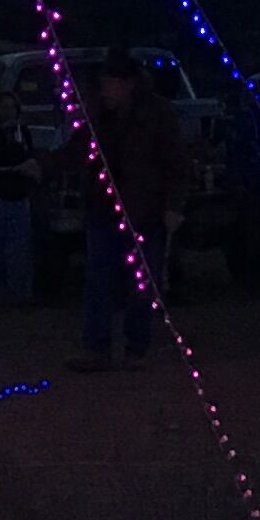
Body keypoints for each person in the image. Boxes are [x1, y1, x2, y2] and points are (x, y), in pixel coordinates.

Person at [68, 53, 183, 370]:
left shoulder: (157, 114)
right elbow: (76, 149)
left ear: (127, 84)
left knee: (140, 284)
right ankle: (97, 348)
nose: (104, 90)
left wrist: (174, 205)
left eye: (110, 84)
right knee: (98, 280)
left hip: (144, 212)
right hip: (104, 210)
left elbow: (176, 163)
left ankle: (137, 348)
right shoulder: (99, 116)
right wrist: (43, 165)